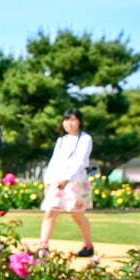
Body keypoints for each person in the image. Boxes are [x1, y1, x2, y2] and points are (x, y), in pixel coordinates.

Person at [37, 109, 95, 257]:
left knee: (77, 215)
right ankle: (43, 245)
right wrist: (48, 181)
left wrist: (67, 178)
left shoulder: (85, 139)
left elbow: (80, 161)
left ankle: (88, 245)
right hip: (57, 181)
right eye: (66, 120)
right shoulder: (61, 141)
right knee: (50, 211)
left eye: (73, 120)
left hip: (76, 181)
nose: (69, 123)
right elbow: (54, 161)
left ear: (79, 122)